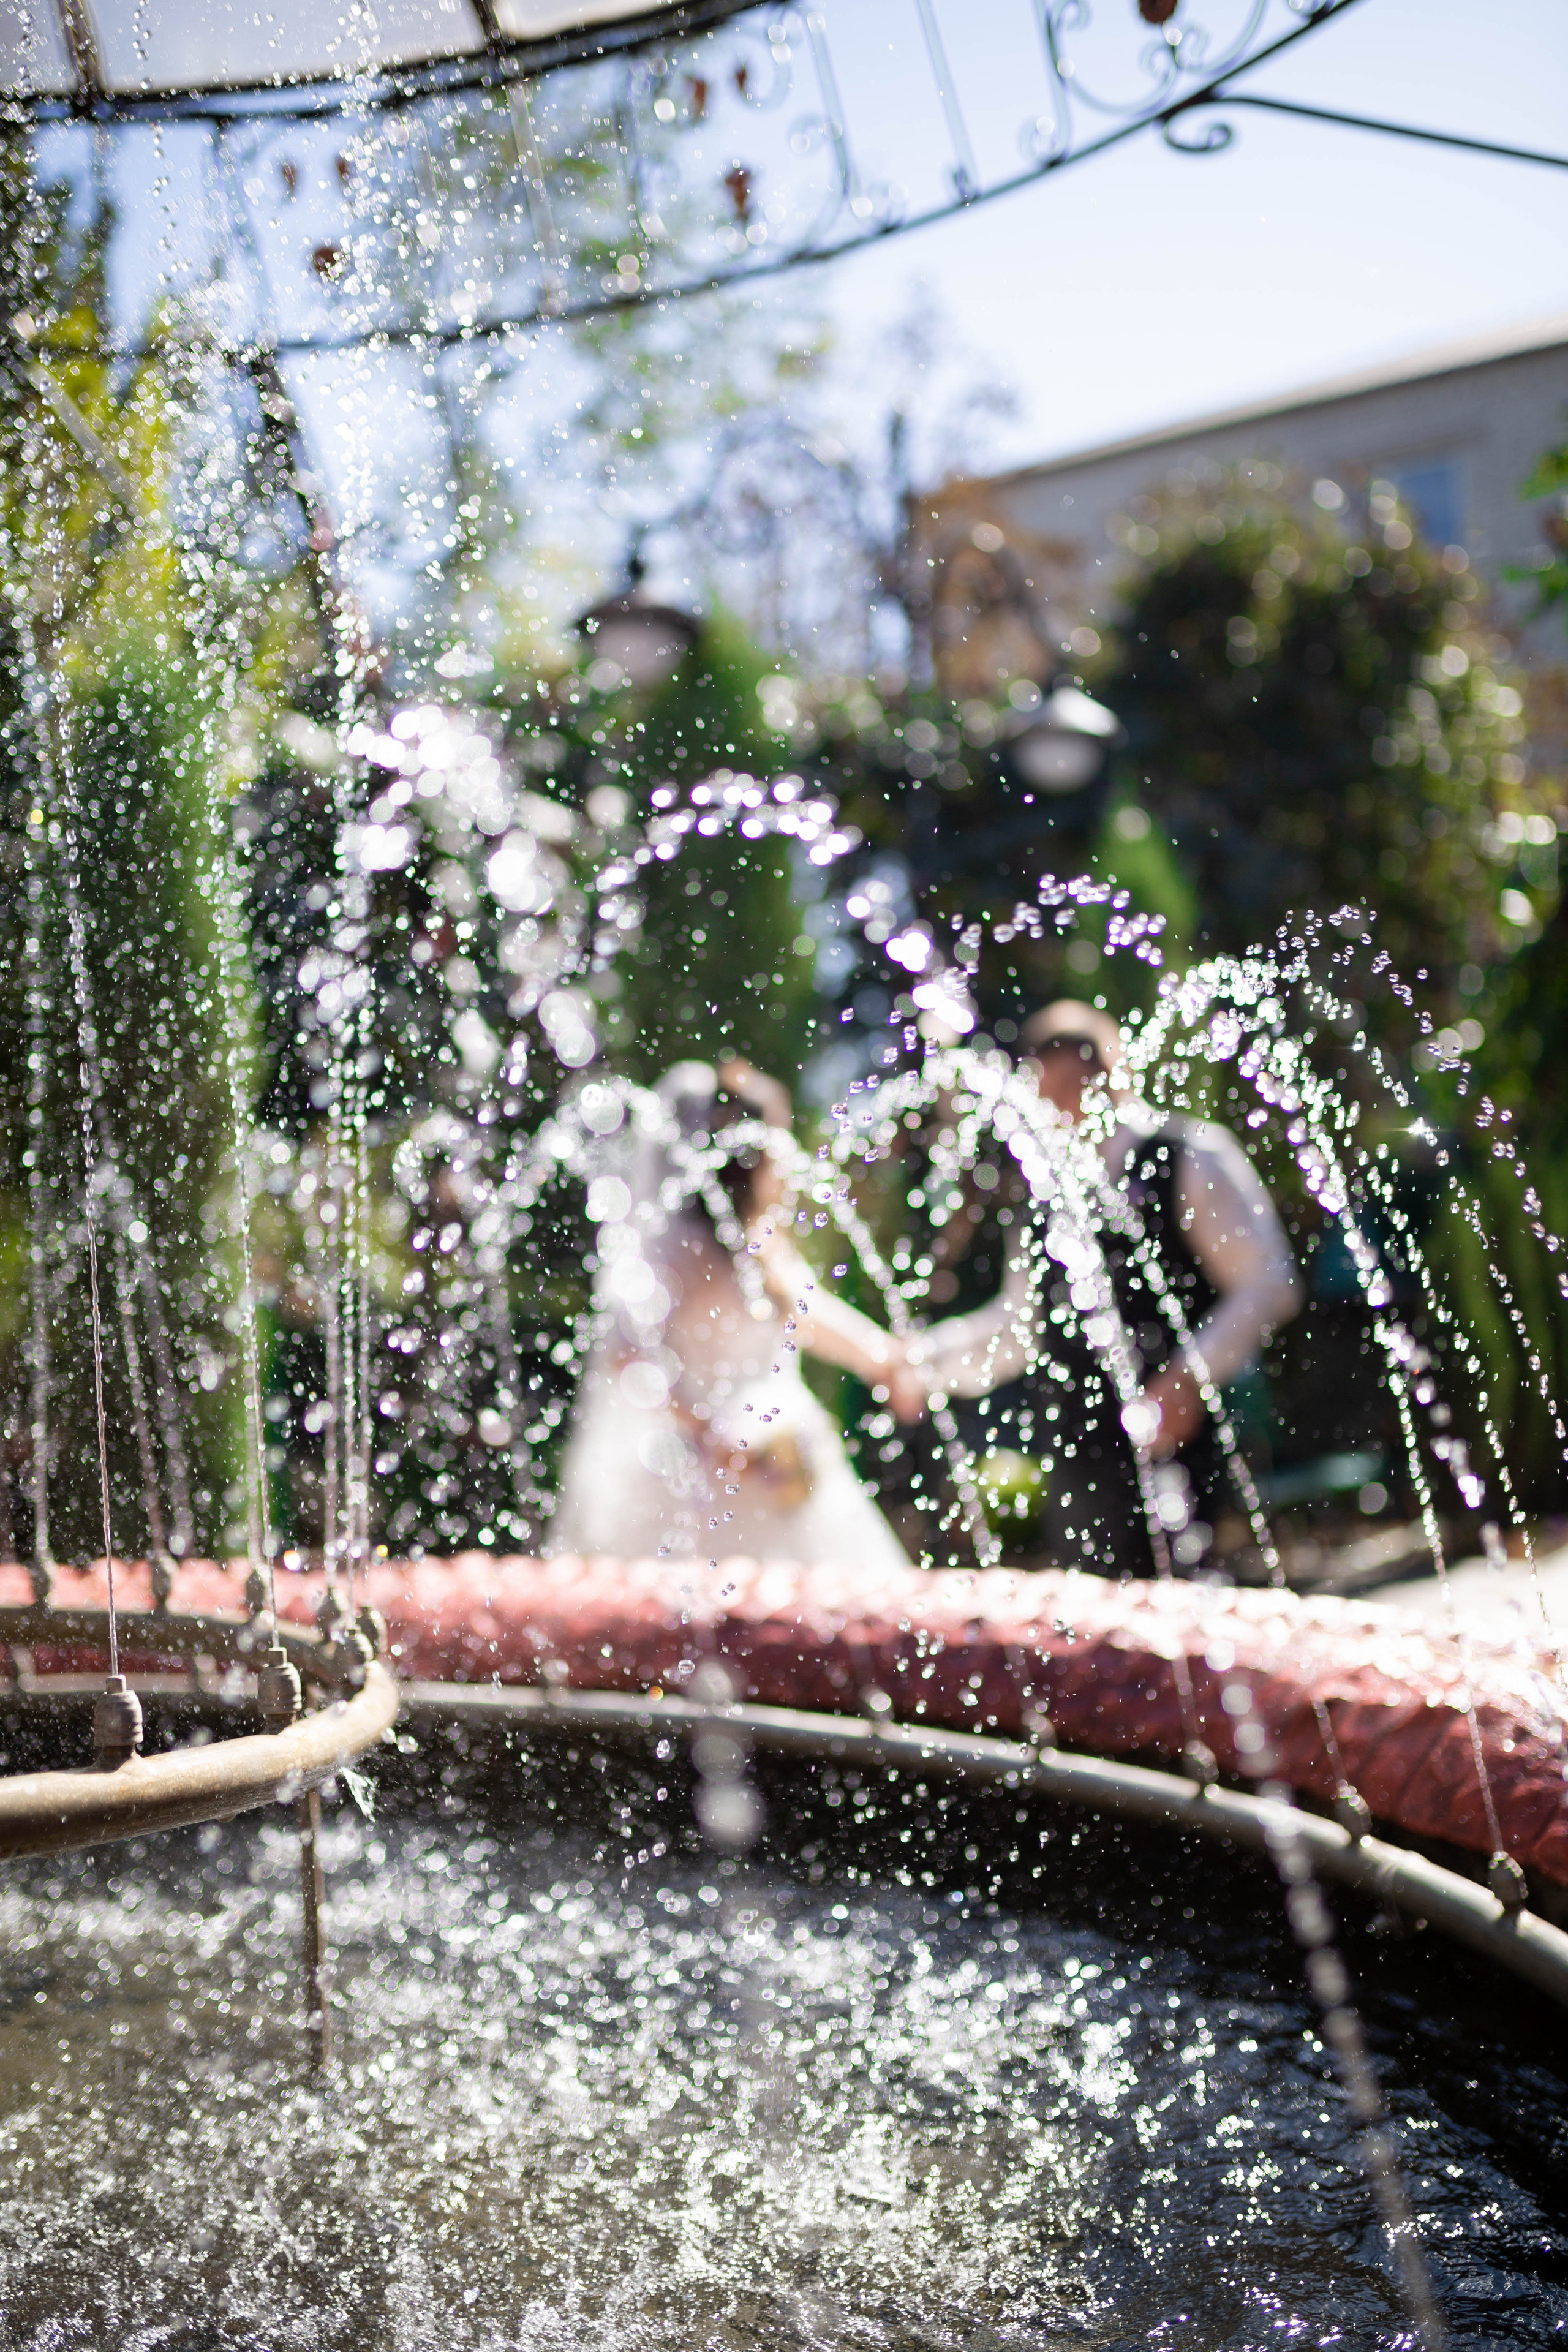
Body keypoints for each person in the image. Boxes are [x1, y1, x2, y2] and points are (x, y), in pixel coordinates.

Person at [896, 1000, 1302, 1576]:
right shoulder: (1046, 1200)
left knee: (1203, 1614)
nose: (1060, 1107)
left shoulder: (1188, 1156)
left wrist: (1189, 1378)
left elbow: (1270, 1282)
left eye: (1075, 1085)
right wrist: (919, 1362)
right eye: (1047, 1090)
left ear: (1113, 1074)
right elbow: (1019, 1327)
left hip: (1195, 1456)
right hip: (1082, 1472)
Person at [549, 1057, 913, 1570]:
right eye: (779, 1145)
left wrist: (888, 1359)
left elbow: (813, 1318)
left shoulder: (765, 1248)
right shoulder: (674, 1251)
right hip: (691, 1474)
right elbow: (626, 1352)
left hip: (778, 1468)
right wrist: (707, 1432)